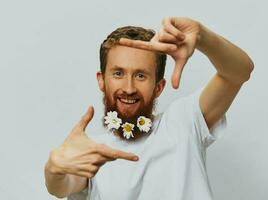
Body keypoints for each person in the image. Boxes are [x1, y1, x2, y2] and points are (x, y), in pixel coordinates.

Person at [44, 16, 254, 200]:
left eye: (141, 75)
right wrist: (54, 169)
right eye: (118, 73)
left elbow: (239, 71)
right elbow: (61, 187)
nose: (128, 88)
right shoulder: (94, 150)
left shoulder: (184, 121)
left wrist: (202, 36)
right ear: (102, 80)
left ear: (158, 87)